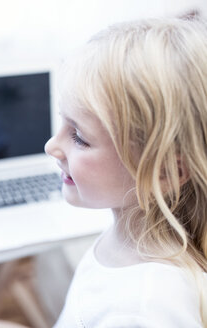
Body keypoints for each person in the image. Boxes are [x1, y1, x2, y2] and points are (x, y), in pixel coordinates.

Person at [44, 17, 207, 327]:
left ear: (166, 172)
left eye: (79, 136)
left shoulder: (147, 310)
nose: (52, 146)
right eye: (63, 121)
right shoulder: (129, 234)